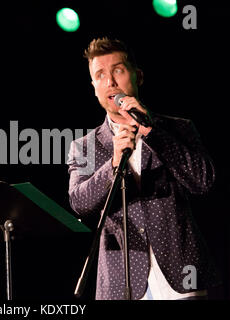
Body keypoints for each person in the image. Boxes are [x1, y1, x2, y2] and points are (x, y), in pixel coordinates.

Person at [67, 37, 220, 300]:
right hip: (120, 282)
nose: (110, 82)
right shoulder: (85, 147)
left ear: (137, 76)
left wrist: (154, 133)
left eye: (118, 70)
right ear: (93, 87)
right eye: (100, 75)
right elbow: (79, 202)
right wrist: (113, 163)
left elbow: (204, 180)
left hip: (181, 278)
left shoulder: (178, 128)